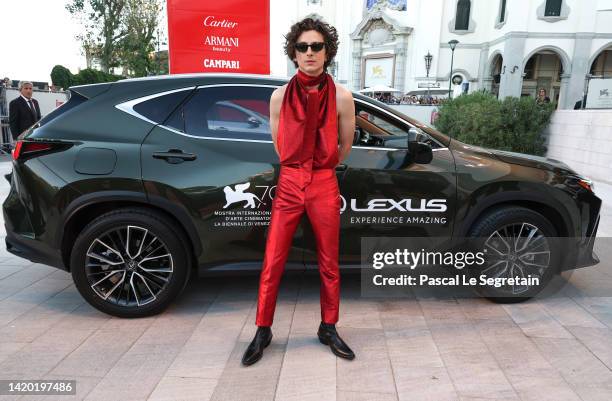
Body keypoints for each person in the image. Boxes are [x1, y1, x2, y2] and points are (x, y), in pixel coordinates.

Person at [242, 17, 356, 366]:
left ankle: (329, 326)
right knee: (273, 259)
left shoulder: (343, 96)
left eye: (316, 46)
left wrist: (321, 168)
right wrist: (298, 169)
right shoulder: (278, 97)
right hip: (290, 182)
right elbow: (279, 145)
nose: (309, 52)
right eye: (303, 46)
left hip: (323, 181)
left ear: (327, 52)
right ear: (294, 52)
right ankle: (263, 329)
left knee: (329, 262)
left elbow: (346, 145)